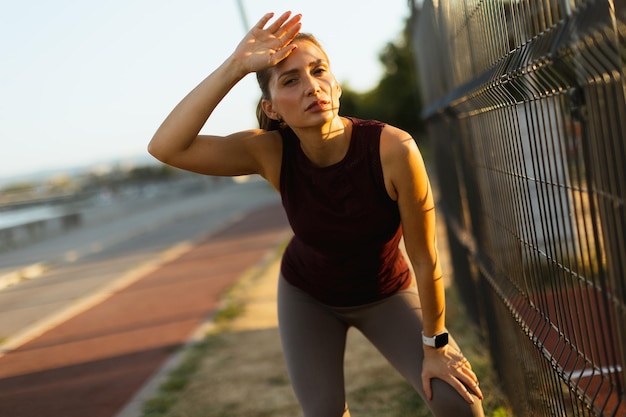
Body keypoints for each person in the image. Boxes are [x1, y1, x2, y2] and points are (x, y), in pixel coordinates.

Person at [148, 11, 485, 417]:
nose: (311, 87)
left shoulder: (394, 149)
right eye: (291, 80)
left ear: (336, 86)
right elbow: (166, 147)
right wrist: (236, 66)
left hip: (384, 293)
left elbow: (426, 256)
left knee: (458, 404)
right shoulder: (269, 152)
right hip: (308, 297)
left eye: (318, 71)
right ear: (271, 109)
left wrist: (436, 346)